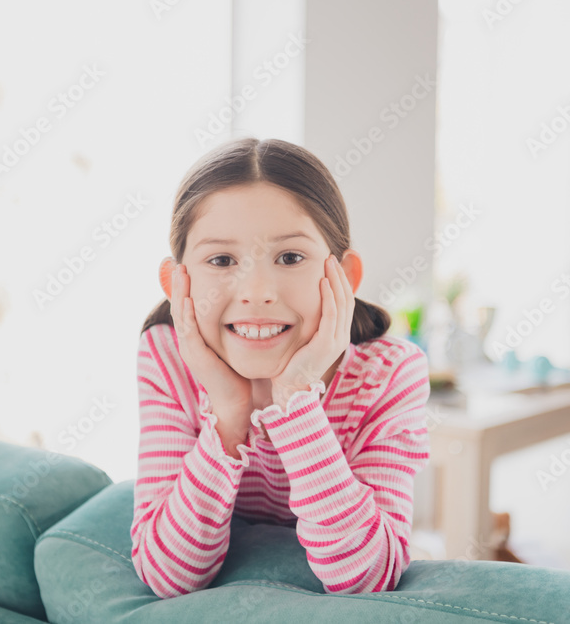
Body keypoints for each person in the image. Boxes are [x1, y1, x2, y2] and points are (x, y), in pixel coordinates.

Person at [131, 137, 431, 599]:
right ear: (177, 284)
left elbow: (368, 578)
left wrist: (296, 398)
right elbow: (169, 576)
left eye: (290, 258)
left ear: (344, 278)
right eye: (222, 259)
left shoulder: (390, 375)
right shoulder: (168, 356)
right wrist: (229, 416)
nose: (257, 291)